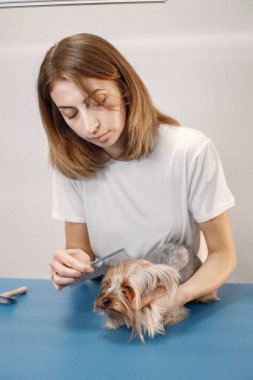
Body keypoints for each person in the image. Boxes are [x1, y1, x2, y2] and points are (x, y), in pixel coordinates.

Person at [37, 33, 237, 312]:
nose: (89, 125)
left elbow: (223, 254)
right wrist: (71, 264)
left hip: (175, 301)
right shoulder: (73, 164)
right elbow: (81, 252)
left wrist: (177, 296)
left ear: (124, 87)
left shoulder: (190, 150)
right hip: (110, 307)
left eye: (98, 101)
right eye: (71, 114)